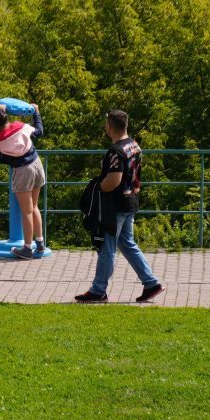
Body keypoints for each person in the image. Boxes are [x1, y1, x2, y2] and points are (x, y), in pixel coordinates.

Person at [76, 109, 163, 303]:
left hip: (114, 207)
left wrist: (97, 188)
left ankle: (98, 291)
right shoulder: (134, 145)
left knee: (107, 248)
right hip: (130, 201)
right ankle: (151, 283)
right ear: (126, 125)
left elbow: (113, 180)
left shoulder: (116, 151)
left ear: (109, 126)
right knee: (127, 244)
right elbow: (137, 176)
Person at [0, 102, 47, 259]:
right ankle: (39, 244)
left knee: (26, 211)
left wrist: (0, 114)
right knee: (34, 207)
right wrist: (36, 113)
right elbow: (39, 132)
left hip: (22, 172)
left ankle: (27, 249)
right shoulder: (20, 126)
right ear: (6, 116)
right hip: (37, 165)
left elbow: (0, 154)